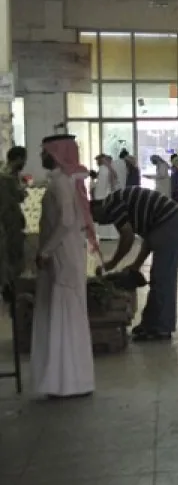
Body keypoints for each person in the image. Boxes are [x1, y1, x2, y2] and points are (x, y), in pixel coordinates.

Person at [33, 135, 96, 397]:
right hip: (66, 254)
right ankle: (67, 379)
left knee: (65, 313)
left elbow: (67, 222)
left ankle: (68, 381)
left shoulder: (61, 182)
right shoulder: (65, 181)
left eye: (45, 152)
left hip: (62, 256)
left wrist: (46, 251)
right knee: (67, 314)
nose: (42, 157)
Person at [93, 185, 178, 341]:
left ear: (96, 208)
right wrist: (136, 264)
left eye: (97, 219)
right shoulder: (117, 202)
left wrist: (111, 263)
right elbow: (149, 237)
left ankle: (161, 328)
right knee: (158, 276)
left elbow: (127, 237)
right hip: (169, 223)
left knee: (163, 278)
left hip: (172, 224)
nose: (100, 223)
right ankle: (151, 323)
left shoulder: (110, 206)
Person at [1, 146, 27, 290]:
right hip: (8, 222)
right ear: (18, 159)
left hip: (12, 220)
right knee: (11, 257)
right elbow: (12, 200)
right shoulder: (7, 177)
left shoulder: (12, 175)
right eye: (23, 160)